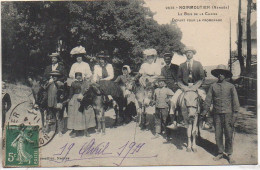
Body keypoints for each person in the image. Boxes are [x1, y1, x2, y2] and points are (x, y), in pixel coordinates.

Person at [202, 65, 240, 164]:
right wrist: (204, 112)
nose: (220, 75)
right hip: (217, 114)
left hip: (228, 114)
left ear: (226, 75)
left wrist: (235, 115)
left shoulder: (231, 86)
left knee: (228, 134)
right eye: (218, 73)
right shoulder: (213, 86)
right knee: (218, 134)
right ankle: (220, 152)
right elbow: (208, 100)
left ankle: (229, 154)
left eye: (222, 73)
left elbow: (235, 101)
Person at [170, 46, 206, 121]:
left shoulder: (198, 64)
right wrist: (183, 87)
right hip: (185, 87)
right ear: (185, 54)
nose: (188, 54)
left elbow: (202, 77)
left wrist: (195, 87)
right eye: (187, 53)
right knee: (173, 99)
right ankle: (174, 120)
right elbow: (178, 79)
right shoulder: (182, 65)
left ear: (193, 54)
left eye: (190, 52)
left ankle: (205, 119)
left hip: (196, 86)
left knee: (204, 99)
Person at [67, 72, 93, 138]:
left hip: (84, 98)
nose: (78, 77)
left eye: (79, 76)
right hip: (75, 99)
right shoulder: (73, 83)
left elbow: (89, 91)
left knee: (85, 115)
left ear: (81, 76)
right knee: (75, 115)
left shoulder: (85, 83)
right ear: (75, 77)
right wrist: (69, 99)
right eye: (77, 76)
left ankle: (86, 131)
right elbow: (71, 92)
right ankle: (75, 131)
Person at [152, 76, 174, 140]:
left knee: (165, 120)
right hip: (157, 107)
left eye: (162, 82)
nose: (161, 83)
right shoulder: (156, 90)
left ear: (164, 83)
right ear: (158, 83)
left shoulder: (167, 90)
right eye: (159, 82)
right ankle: (157, 133)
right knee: (157, 120)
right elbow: (154, 99)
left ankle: (168, 134)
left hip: (165, 107)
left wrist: (169, 99)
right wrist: (152, 102)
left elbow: (173, 96)